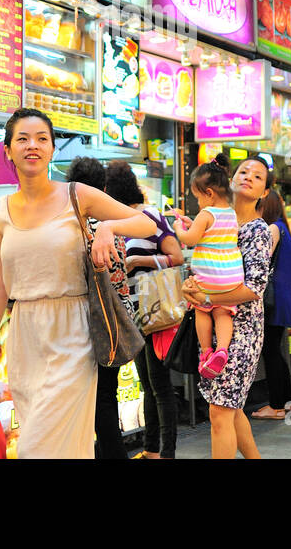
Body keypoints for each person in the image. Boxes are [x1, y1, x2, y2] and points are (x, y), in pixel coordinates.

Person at [0, 109, 159, 459]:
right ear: (8, 149)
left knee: (37, 446)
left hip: (72, 332)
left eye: (42, 139)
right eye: (22, 139)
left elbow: (146, 224)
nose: (33, 146)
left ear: (53, 149)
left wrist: (107, 227)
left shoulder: (77, 195)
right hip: (25, 335)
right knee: (60, 444)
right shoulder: (0, 210)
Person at [181, 157, 274, 459]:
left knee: (220, 412)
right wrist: (190, 287)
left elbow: (254, 288)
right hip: (211, 323)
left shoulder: (258, 230)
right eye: (243, 171)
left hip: (243, 329)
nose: (248, 177)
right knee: (230, 410)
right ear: (229, 181)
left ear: (264, 192)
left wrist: (208, 300)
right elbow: (200, 267)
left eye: (257, 177)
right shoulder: (213, 219)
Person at [107, 160, 183, 460]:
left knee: (160, 385)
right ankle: (152, 450)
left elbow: (176, 256)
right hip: (134, 313)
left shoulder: (148, 215)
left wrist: (141, 262)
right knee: (148, 384)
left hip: (156, 311)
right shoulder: (117, 221)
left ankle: (167, 452)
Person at [64, 155, 127, 460]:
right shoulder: (112, 226)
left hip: (84, 327)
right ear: (102, 188)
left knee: (91, 403)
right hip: (113, 327)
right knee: (105, 399)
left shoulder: (74, 227)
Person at [175, 161, 244, 377]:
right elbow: (213, 233)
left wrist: (179, 228)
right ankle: (222, 349)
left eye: (198, 197)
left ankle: (206, 352)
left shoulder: (206, 214)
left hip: (209, 275)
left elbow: (191, 238)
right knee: (223, 312)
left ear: (209, 193)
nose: (198, 202)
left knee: (201, 309)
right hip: (232, 277)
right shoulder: (233, 214)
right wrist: (193, 222)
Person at [251, 189, 291, 421]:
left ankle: (277, 406)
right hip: (282, 298)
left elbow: (260, 260)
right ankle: (287, 402)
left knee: (271, 351)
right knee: (276, 351)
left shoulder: (271, 228)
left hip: (271, 299)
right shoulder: (283, 228)